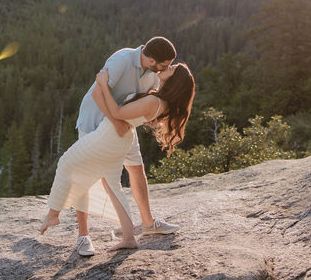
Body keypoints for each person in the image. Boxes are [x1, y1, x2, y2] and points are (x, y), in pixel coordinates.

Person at [40, 62, 195, 254]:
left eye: (171, 69)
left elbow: (117, 113)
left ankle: (54, 213)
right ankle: (129, 238)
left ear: (175, 81)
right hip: (120, 139)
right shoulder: (159, 99)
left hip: (110, 136)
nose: (167, 67)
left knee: (66, 162)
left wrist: (103, 84)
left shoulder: (154, 101)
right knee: (113, 186)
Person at [72, 36, 180, 256]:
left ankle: (148, 223)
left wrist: (127, 123)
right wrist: (116, 122)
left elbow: (139, 104)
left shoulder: (152, 75)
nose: (166, 69)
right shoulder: (121, 60)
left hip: (122, 124)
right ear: (150, 59)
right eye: (164, 65)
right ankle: (83, 237)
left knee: (136, 167)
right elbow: (97, 92)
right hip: (94, 121)